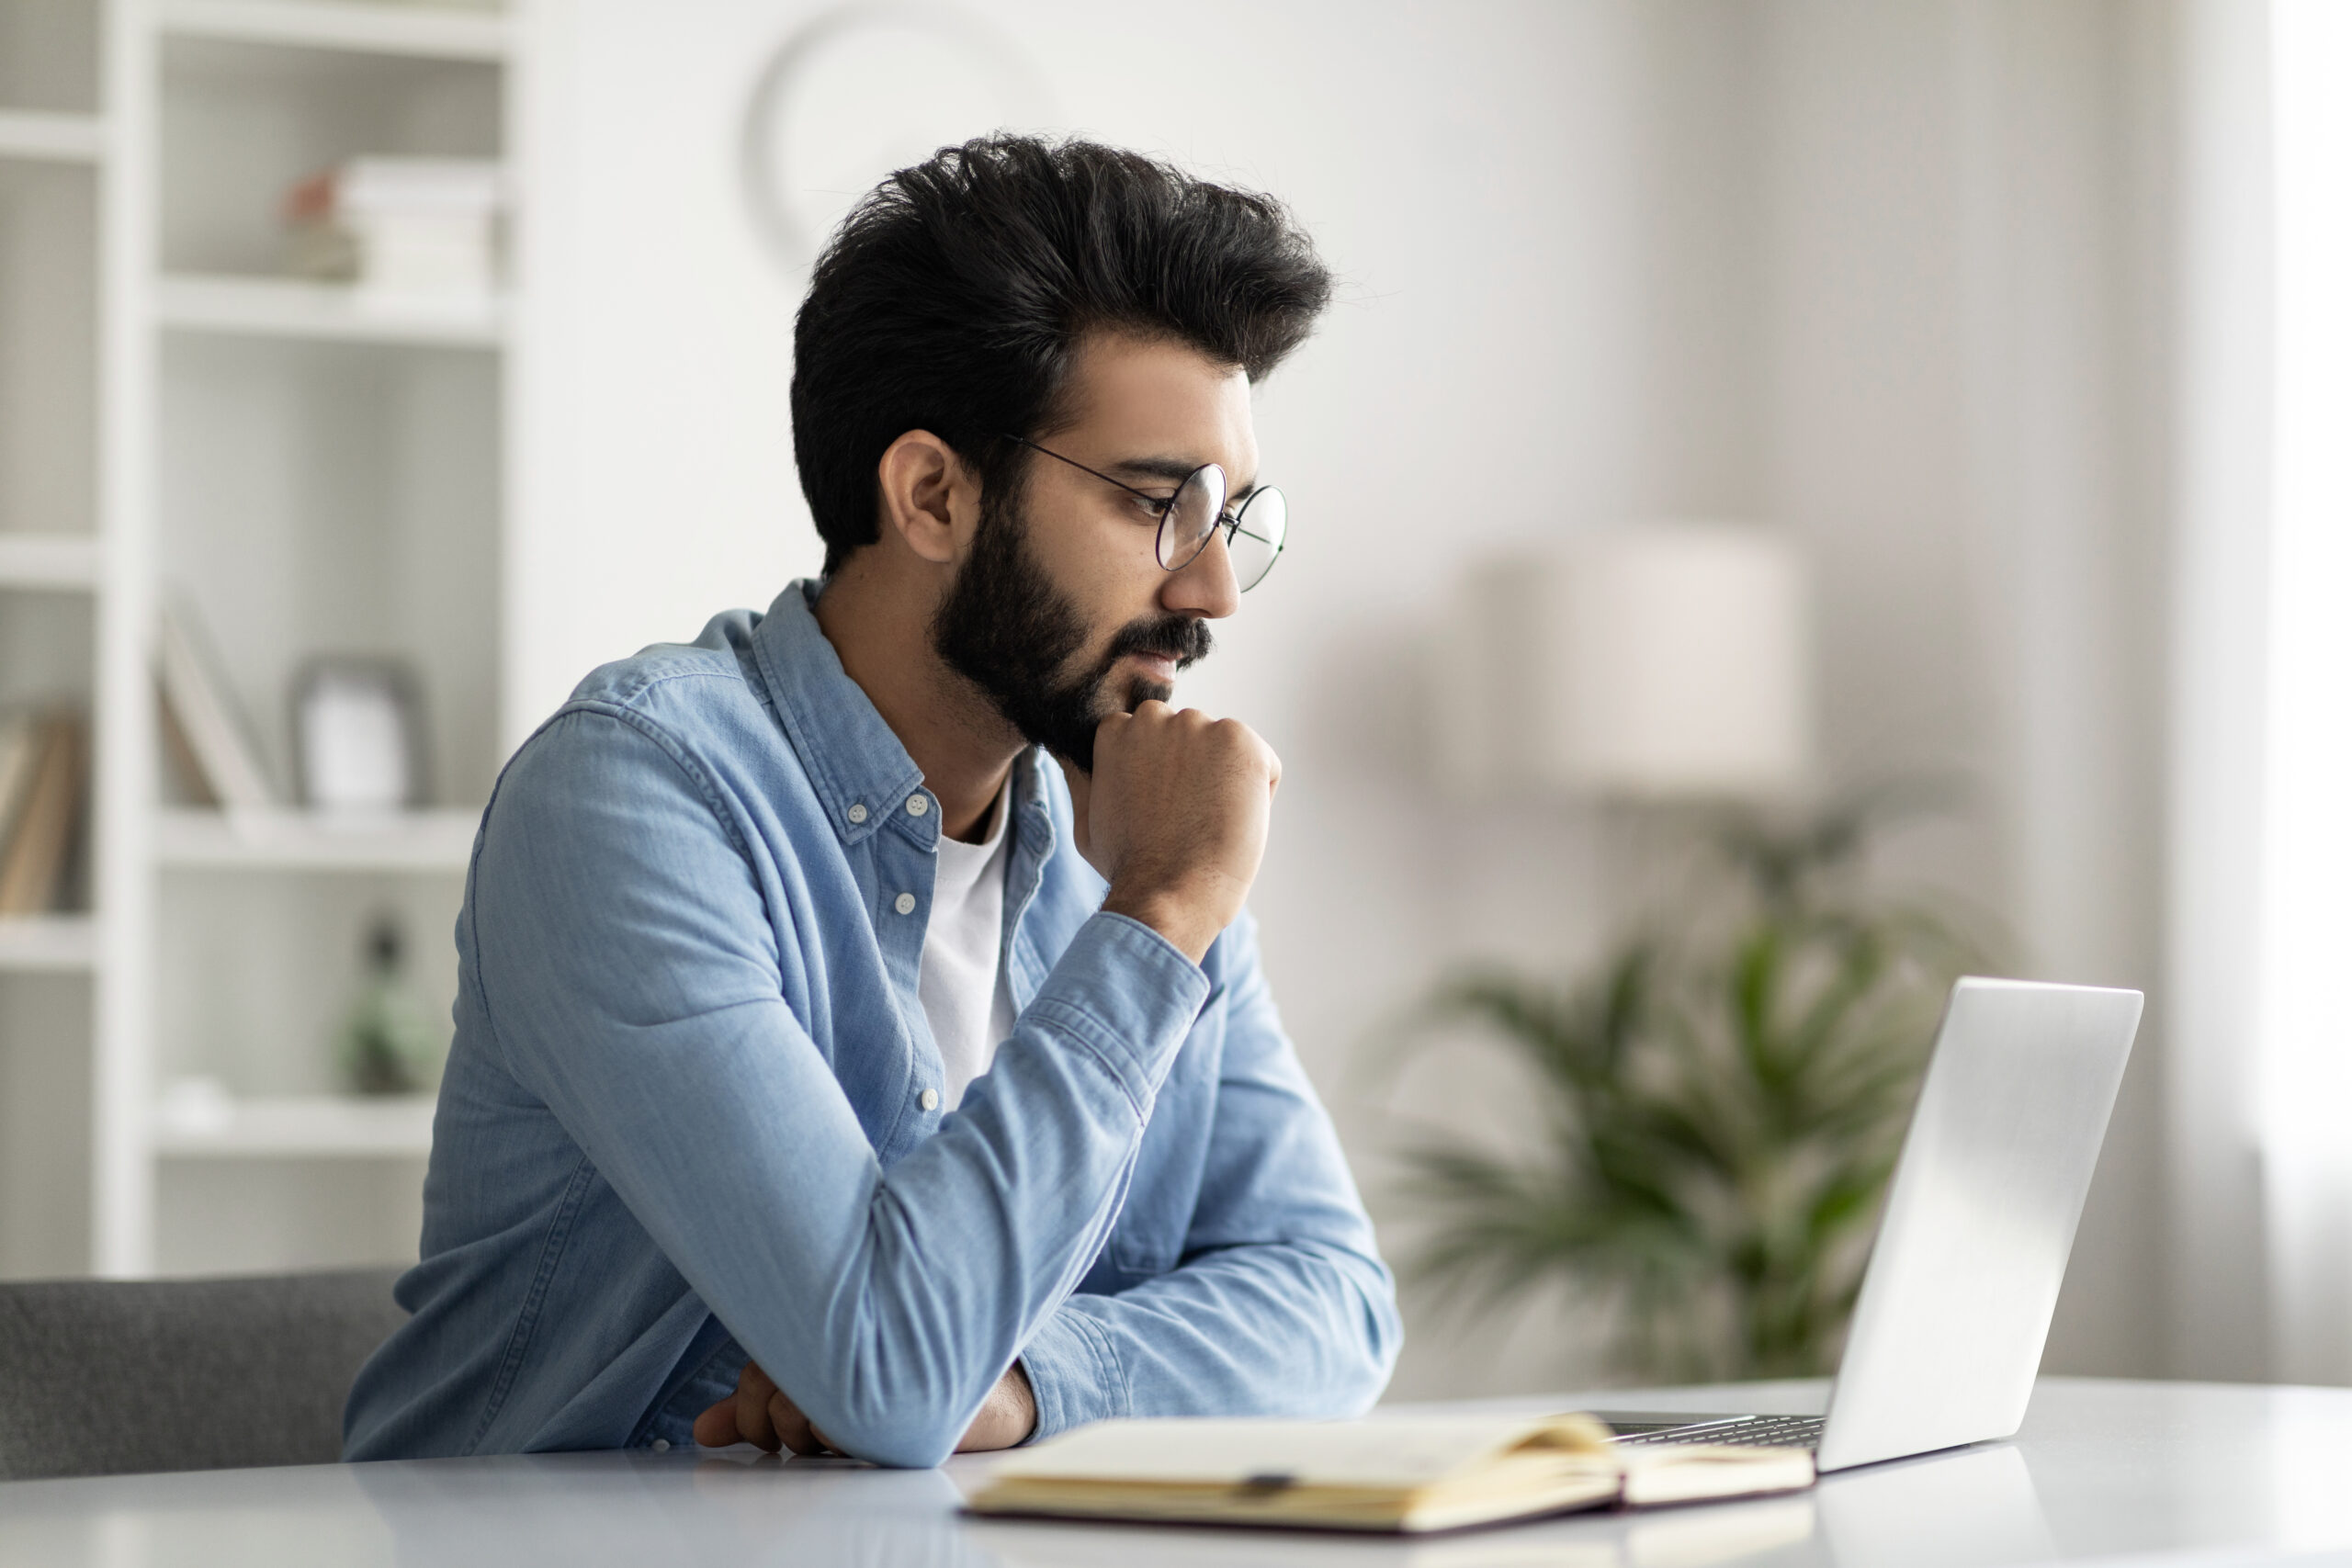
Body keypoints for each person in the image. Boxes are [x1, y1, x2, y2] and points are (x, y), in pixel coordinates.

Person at [343, 135, 1400, 1469]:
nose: (1214, 592)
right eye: (1156, 504)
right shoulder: (632, 799)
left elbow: (1338, 1306)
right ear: (933, 493)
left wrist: (1023, 1383)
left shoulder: (1130, 823)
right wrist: (1164, 913)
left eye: (1231, 517)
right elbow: (889, 1370)